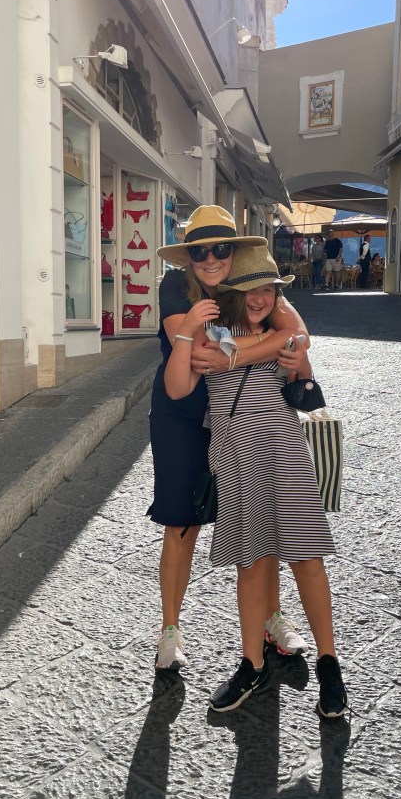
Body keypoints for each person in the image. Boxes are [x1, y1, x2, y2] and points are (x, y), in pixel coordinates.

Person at [163, 242, 348, 717]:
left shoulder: (281, 334)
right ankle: (252, 663)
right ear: (230, 294)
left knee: (306, 557)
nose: (260, 298)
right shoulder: (212, 334)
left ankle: (329, 664)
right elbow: (178, 386)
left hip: (285, 450)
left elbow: (302, 371)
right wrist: (187, 335)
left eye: (268, 289)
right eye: (249, 290)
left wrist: (289, 353)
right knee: (251, 561)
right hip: (235, 455)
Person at [149, 205, 315, 672]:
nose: (210, 259)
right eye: (199, 251)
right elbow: (198, 355)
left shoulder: (249, 278)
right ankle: (170, 630)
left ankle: (271, 619)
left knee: (264, 517)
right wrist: (263, 347)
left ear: (234, 250)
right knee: (183, 523)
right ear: (188, 256)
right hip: (183, 416)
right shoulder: (175, 286)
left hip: (242, 416)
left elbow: (299, 333)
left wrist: (235, 357)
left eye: (220, 248)